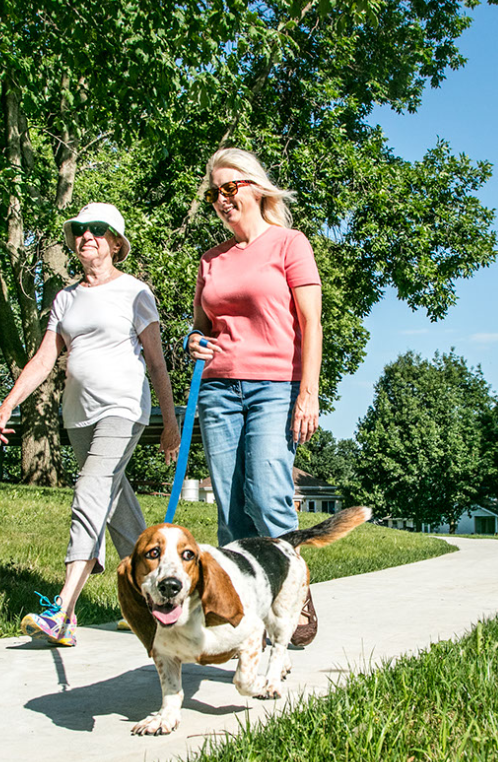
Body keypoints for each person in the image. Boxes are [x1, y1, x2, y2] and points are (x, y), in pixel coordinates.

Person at [0, 202, 178, 647]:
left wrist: (168, 421)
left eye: (98, 230)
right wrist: (9, 403)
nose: (86, 236)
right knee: (114, 507)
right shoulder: (65, 298)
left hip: (123, 408)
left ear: (115, 242)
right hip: (78, 416)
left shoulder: (135, 292)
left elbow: (157, 362)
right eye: (80, 230)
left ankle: (65, 610)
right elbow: (44, 357)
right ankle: (157, 601)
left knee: (90, 490)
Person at [187, 148, 323, 646]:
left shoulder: (289, 244)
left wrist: (308, 392)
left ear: (256, 188)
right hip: (218, 389)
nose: (222, 199)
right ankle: (244, 610)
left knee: (268, 495)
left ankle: (295, 589)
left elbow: (311, 323)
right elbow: (199, 331)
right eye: (213, 193)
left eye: (230, 187)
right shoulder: (210, 260)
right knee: (232, 510)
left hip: (275, 387)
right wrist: (191, 342)